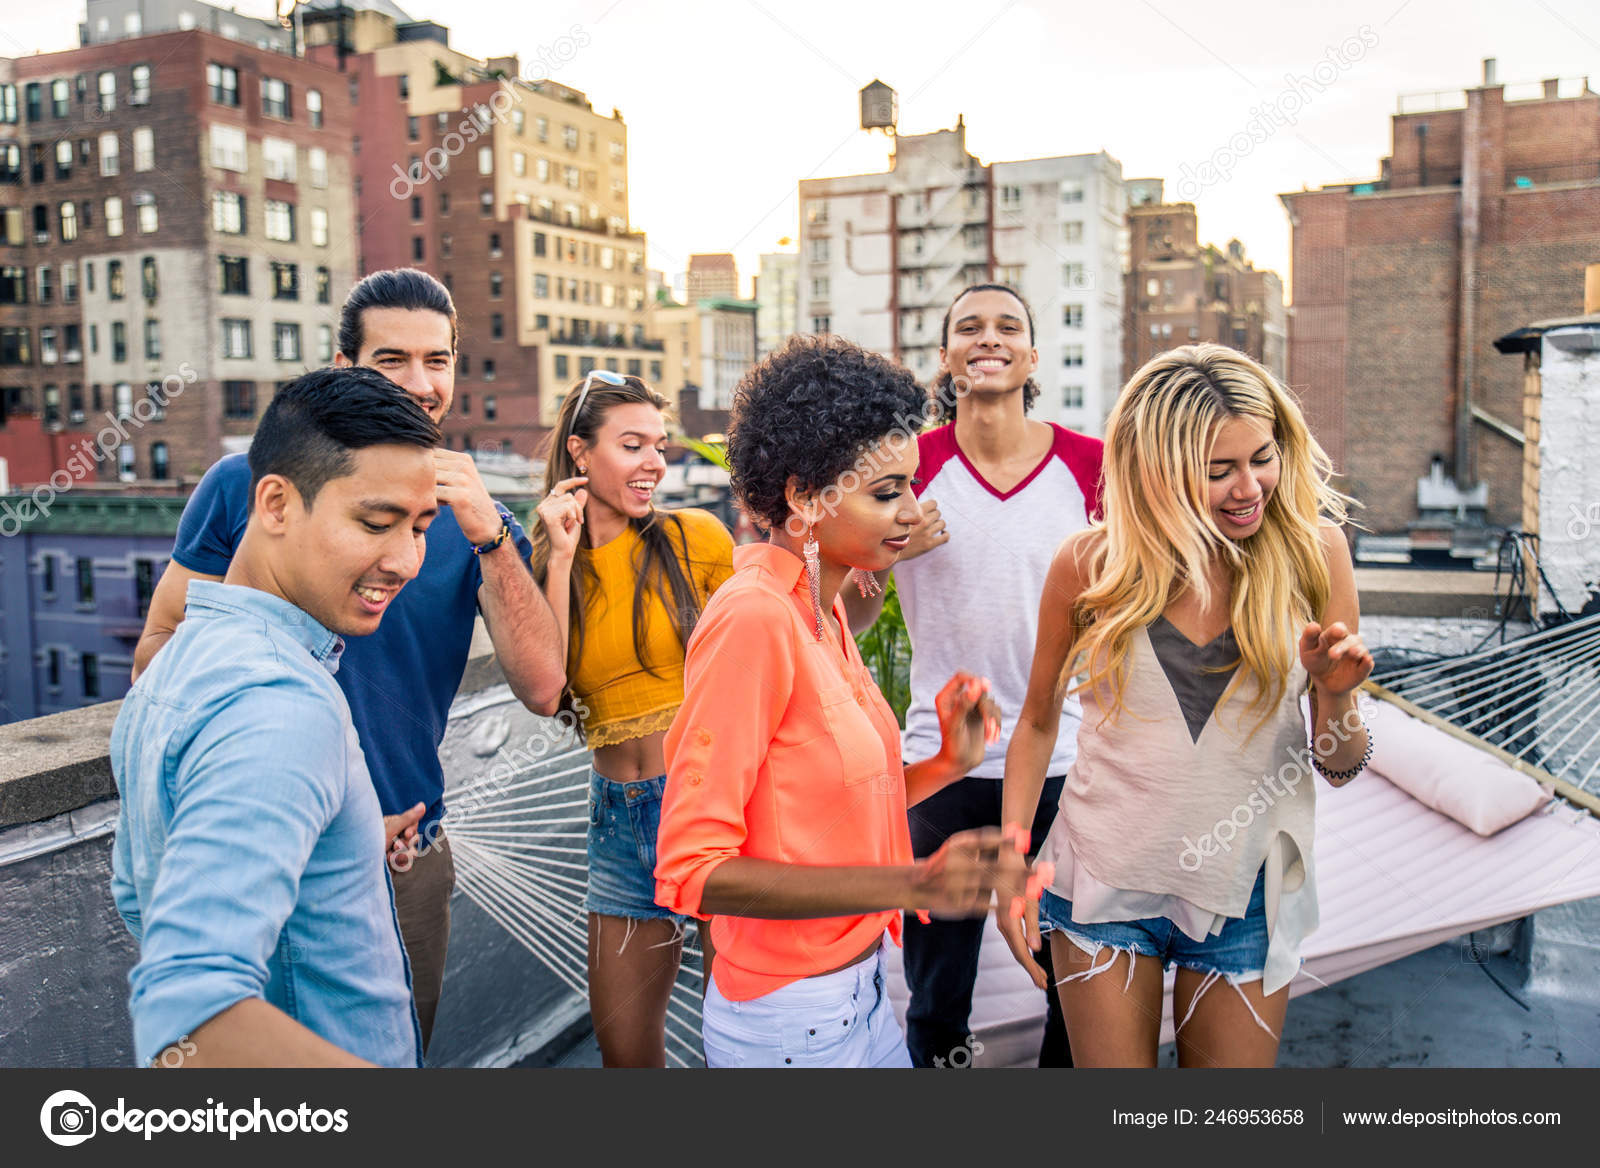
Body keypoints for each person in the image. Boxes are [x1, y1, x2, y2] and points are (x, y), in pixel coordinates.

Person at [130, 269, 566, 1051]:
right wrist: (328, 805)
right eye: (391, 360)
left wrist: (487, 535)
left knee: (395, 1044)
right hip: (272, 834)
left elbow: (542, 687)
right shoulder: (254, 484)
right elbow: (159, 657)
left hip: (409, 856)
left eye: (438, 361)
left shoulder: (475, 520)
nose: (420, 382)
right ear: (343, 366)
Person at [653, 335, 1032, 1069]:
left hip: (856, 998)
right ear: (802, 495)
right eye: (885, 492)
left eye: (911, 487)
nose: (911, 512)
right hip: (792, 1023)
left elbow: (823, 809)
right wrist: (917, 882)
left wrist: (947, 764)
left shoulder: (821, 614)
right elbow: (693, 868)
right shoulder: (754, 619)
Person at [997, 343, 1373, 1068]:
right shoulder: (1088, 564)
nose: (1250, 489)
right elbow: (1039, 720)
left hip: (1246, 896)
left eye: (1261, 458)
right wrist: (1013, 863)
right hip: (1100, 888)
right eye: (1217, 471)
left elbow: (1341, 764)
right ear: (1155, 475)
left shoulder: (1317, 556)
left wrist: (1336, 693)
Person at [110, 367, 441, 1067]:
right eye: (377, 523)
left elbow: (145, 889)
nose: (407, 560)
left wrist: (341, 833)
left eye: (420, 528)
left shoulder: (171, 672)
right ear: (276, 504)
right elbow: (187, 1013)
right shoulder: (282, 707)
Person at [845, 283, 1101, 1068]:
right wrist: (888, 557)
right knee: (937, 991)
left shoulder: (1091, 466)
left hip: (1066, 759)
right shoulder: (905, 468)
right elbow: (846, 620)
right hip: (941, 766)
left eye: (1007, 327)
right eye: (968, 328)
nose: (987, 339)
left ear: (1031, 356)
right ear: (948, 358)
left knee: (1073, 978)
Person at [531, 370, 735, 1067]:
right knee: (625, 1052)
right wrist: (559, 561)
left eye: (658, 444)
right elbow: (549, 689)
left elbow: (763, 656)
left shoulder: (695, 539)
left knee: (738, 1039)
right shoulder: (546, 566)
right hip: (616, 823)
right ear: (581, 453)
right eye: (631, 444)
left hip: (709, 809)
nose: (654, 461)